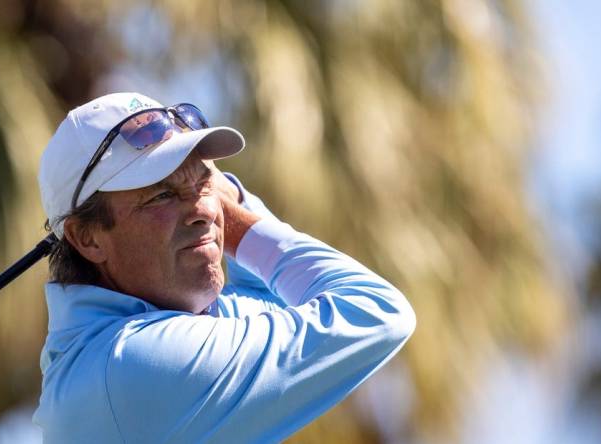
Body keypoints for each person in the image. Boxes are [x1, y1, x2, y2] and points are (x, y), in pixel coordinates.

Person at [33, 92, 416, 443]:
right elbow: (377, 311)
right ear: (88, 238)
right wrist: (233, 212)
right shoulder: (131, 364)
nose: (203, 209)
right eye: (162, 195)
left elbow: (273, 297)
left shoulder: (111, 347)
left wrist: (215, 199)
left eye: (204, 185)